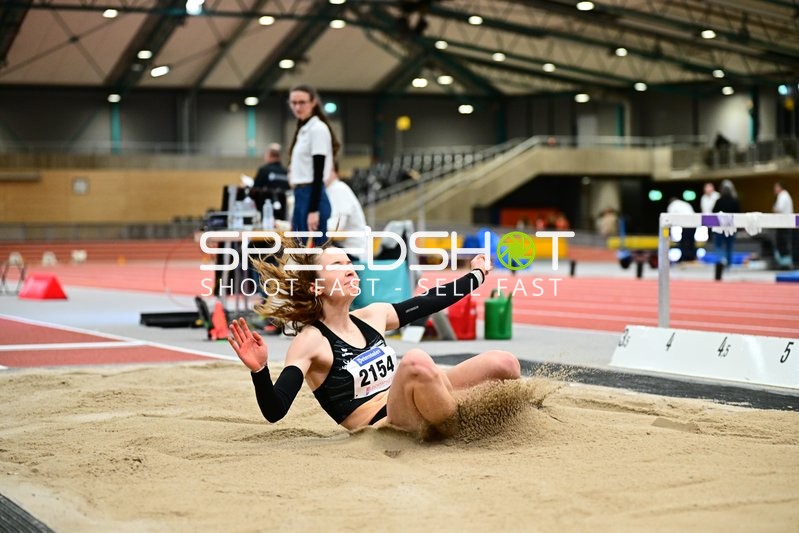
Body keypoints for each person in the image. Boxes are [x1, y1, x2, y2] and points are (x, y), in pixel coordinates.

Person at [227, 243, 521, 437]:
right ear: (316, 287)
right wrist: (260, 370)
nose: (349, 267)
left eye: (349, 261)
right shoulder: (311, 341)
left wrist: (477, 275)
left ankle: (464, 415)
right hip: (385, 422)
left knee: (503, 363)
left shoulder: (373, 316)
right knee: (416, 362)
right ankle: (460, 423)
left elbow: (429, 301)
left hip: (420, 398)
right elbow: (275, 411)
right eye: (337, 265)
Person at [287, 85, 339, 245]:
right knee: (298, 249)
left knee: (317, 254)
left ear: (313, 102)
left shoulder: (318, 129)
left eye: (302, 102)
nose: (297, 107)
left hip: (312, 195)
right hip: (301, 194)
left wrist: (313, 210)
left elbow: (318, 172)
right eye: (293, 102)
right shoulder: (303, 129)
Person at [325, 164, 368, 262]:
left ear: (335, 172)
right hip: (342, 250)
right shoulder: (328, 192)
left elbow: (336, 230)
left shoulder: (338, 189)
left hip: (353, 254)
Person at [712, 180, 741, 267]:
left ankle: (719, 262)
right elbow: (738, 214)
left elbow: (714, 212)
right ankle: (729, 265)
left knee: (718, 246)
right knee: (729, 246)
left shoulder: (719, 201)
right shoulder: (735, 201)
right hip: (731, 228)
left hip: (719, 228)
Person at [773, 182, 795, 267]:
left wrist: (774, 208)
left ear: (780, 187)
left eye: (776, 187)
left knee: (783, 243)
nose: (774, 189)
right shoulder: (786, 195)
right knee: (785, 243)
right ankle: (786, 262)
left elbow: (779, 208)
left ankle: (785, 264)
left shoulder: (782, 195)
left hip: (783, 224)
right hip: (786, 223)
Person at [667, 197, 696, 261]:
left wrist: (669, 233)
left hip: (687, 224)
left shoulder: (672, 205)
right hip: (694, 223)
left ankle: (684, 257)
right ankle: (691, 257)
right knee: (691, 241)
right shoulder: (685, 204)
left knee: (684, 242)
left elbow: (668, 220)